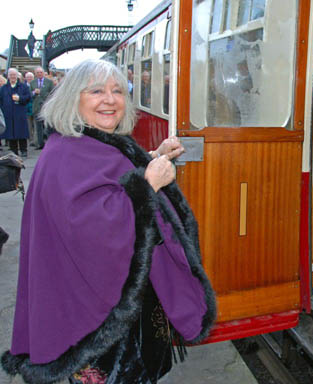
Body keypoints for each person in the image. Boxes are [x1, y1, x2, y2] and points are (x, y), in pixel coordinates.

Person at [1, 59, 216, 384]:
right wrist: (148, 184)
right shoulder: (67, 154)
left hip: (110, 307)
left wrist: (152, 158)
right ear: (74, 98)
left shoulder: (82, 142)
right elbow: (93, 230)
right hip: (103, 326)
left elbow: (112, 182)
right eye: (97, 91)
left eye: (117, 91)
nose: (110, 99)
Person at [0, 68, 31, 157]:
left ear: (17, 76)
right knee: (10, 133)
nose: (13, 77)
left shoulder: (23, 87)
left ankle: (23, 150)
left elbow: (28, 97)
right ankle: (13, 150)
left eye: (14, 75)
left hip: (19, 113)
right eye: (11, 75)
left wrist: (20, 98)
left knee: (21, 132)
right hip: (8, 114)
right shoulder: (3, 88)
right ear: (8, 76)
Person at [30, 66, 54, 150]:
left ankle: (49, 143)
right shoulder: (32, 83)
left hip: (46, 107)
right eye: (37, 73)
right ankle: (40, 144)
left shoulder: (49, 82)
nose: (39, 74)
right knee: (38, 127)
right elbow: (29, 94)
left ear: (43, 73)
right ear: (35, 74)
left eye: (41, 72)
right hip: (36, 107)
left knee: (48, 126)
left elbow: (53, 94)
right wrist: (33, 93)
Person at [24, 72, 36, 147]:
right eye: (28, 77)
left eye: (31, 77)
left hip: (35, 107)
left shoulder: (36, 85)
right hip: (27, 108)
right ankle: (30, 139)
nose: (29, 79)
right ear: (25, 78)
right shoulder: (23, 86)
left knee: (35, 126)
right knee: (29, 125)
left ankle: (35, 140)